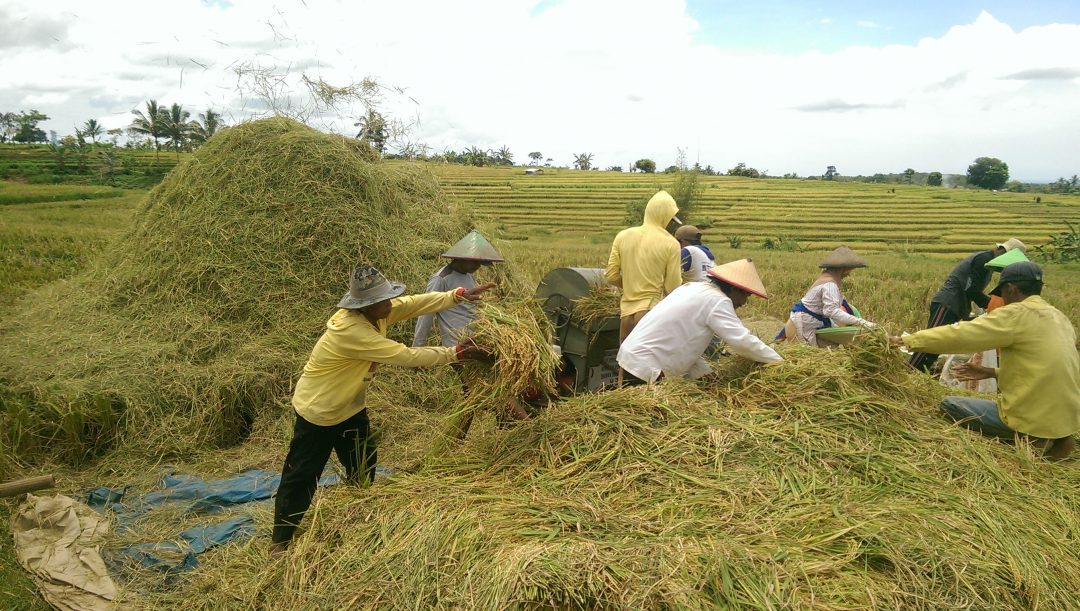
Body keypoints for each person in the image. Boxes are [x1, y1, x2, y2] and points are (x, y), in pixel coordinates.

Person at [271, 264, 495, 556]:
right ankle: (280, 541)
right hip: (320, 411)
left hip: (350, 405)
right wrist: (456, 353)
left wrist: (458, 295)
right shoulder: (352, 332)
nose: (390, 304)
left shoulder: (375, 313)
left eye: (389, 298)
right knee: (302, 475)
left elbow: (413, 303)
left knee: (364, 460)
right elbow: (406, 356)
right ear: (366, 305)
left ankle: (354, 511)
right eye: (384, 301)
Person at [893, 261, 1080, 459]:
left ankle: (1029, 436)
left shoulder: (1015, 314)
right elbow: (1044, 368)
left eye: (1003, 294)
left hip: (1032, 416)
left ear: (1011, 289)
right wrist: (992, 372)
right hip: (1068, 416)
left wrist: (907, 340)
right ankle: (1058, 437)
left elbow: (962, 335)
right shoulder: (1059, 317)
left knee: (949, 404)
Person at [617, 258, 782, 384]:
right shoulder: (718, 301)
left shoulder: (693, 288)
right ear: (733, 288)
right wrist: (778, 361)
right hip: (646, 366)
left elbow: (687, 344)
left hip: (633, 357)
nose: (744, 302)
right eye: (745, 295)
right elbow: (742, 341)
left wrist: (708, 377)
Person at [908, 238, 1026, 371]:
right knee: (929, 341)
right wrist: (994, 306)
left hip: (957, 306)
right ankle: (908, 373)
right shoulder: (983, 260)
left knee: (939, 344)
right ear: (1005, 253)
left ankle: (917, 375)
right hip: (948, 303)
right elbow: (971, 290)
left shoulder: (987, 263)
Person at [605, 189, 682, 347]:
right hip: (649, 311)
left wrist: (631, 285)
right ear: (664, 216)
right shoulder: (671, 243)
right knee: (651, 366)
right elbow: (672, 287)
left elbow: (611, 276)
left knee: (625, 365)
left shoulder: (623, 236)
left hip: (626, 314)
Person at [413, 230, 504, 349]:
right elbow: (426, 313)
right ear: (461, 258)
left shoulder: (468, 274)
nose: (477, 267)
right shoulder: (441, 278)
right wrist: (417, 348)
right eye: (474, 262)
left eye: (479, 264)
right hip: (455, 344)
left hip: (474, 338)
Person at [778, 246, 875, 347]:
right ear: (843, 269)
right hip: (804, 325)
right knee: (811, 358)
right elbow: (831, 311)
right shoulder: (829, 284)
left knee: (832, 347)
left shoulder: (827, 279)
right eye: (849, 270)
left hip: (812, 322)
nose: (849, 274)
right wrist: (862, 323)